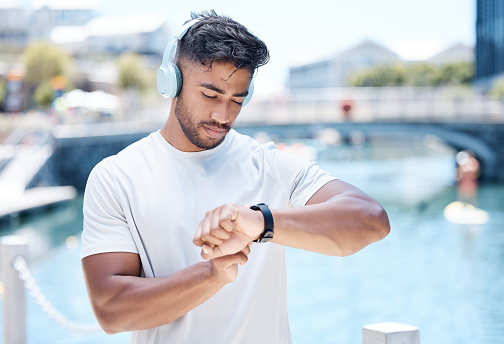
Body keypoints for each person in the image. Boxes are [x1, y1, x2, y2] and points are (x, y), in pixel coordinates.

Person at [81, 10, 390, 344]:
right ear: (171, 80)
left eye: (236, 100)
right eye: (211, 95)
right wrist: (212, 274)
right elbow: (111, 311)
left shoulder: (266, 164)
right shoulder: (117, 177)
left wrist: (259, 222)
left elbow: (371, 220)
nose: (222, 115)